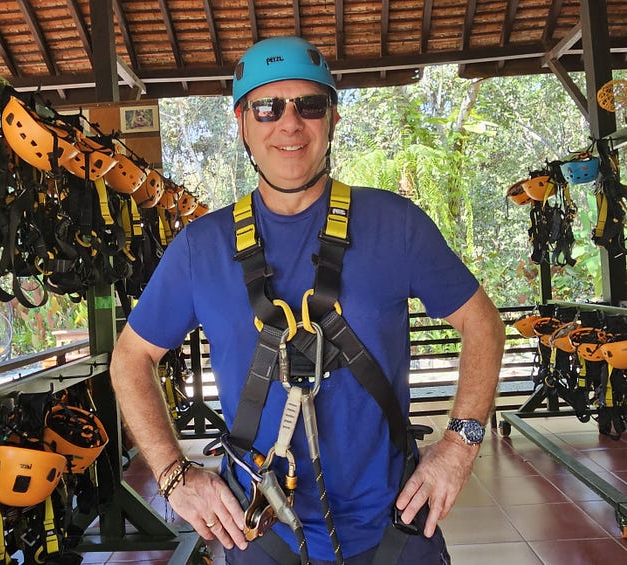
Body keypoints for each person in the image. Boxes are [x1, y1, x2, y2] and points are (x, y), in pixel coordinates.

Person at [110, 36, 505, 565]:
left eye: (309, 105)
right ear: (243, 123)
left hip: (394, 528)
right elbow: (130, 359)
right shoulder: (199, 249)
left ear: (333, 119)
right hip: (259, 533)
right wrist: (173, 473)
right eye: (268, 107)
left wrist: (461, 444)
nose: (289, 123)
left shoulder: (395, 225)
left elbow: (483, 324)